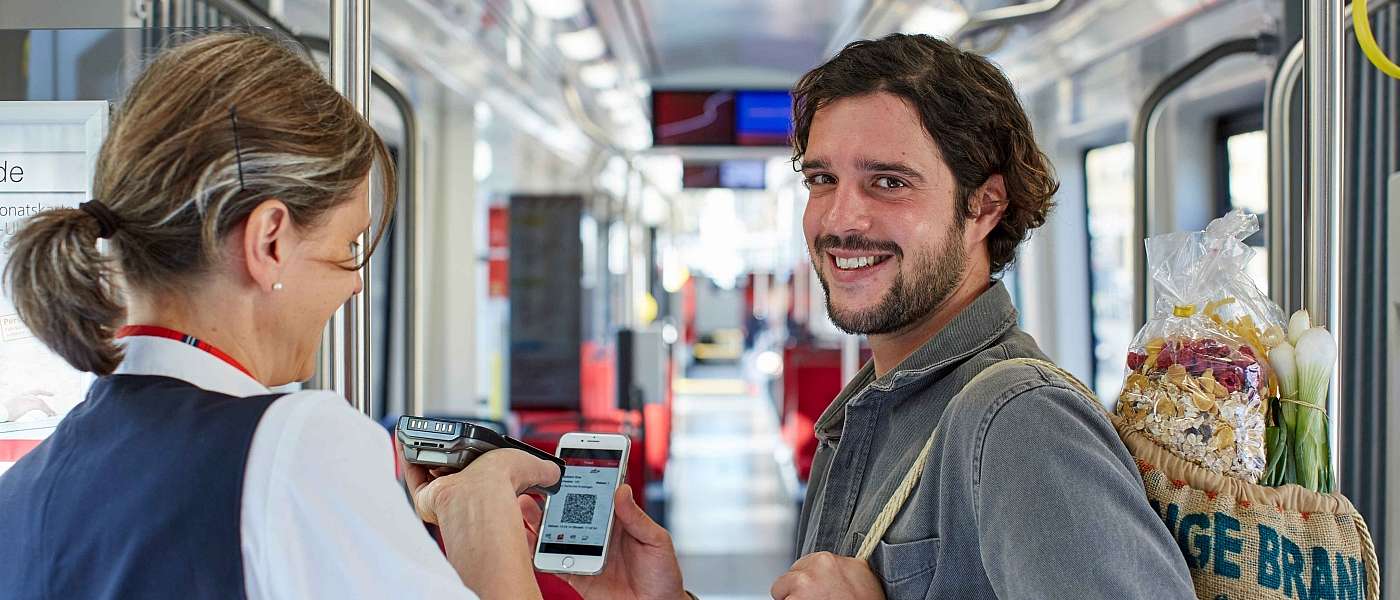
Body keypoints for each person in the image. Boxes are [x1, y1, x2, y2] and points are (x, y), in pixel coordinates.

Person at [525, 34, 1196, 600]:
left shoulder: (1017, 422)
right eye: (822, 180)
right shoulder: (872, 411)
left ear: (984, 207)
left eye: (889, 182)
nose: (841, 219)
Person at [0, 32, 556, 599]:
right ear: (269, 242)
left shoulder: (21, 493)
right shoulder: (295, 444)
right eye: (348, 247)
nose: (357, 283)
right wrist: (478, 516)